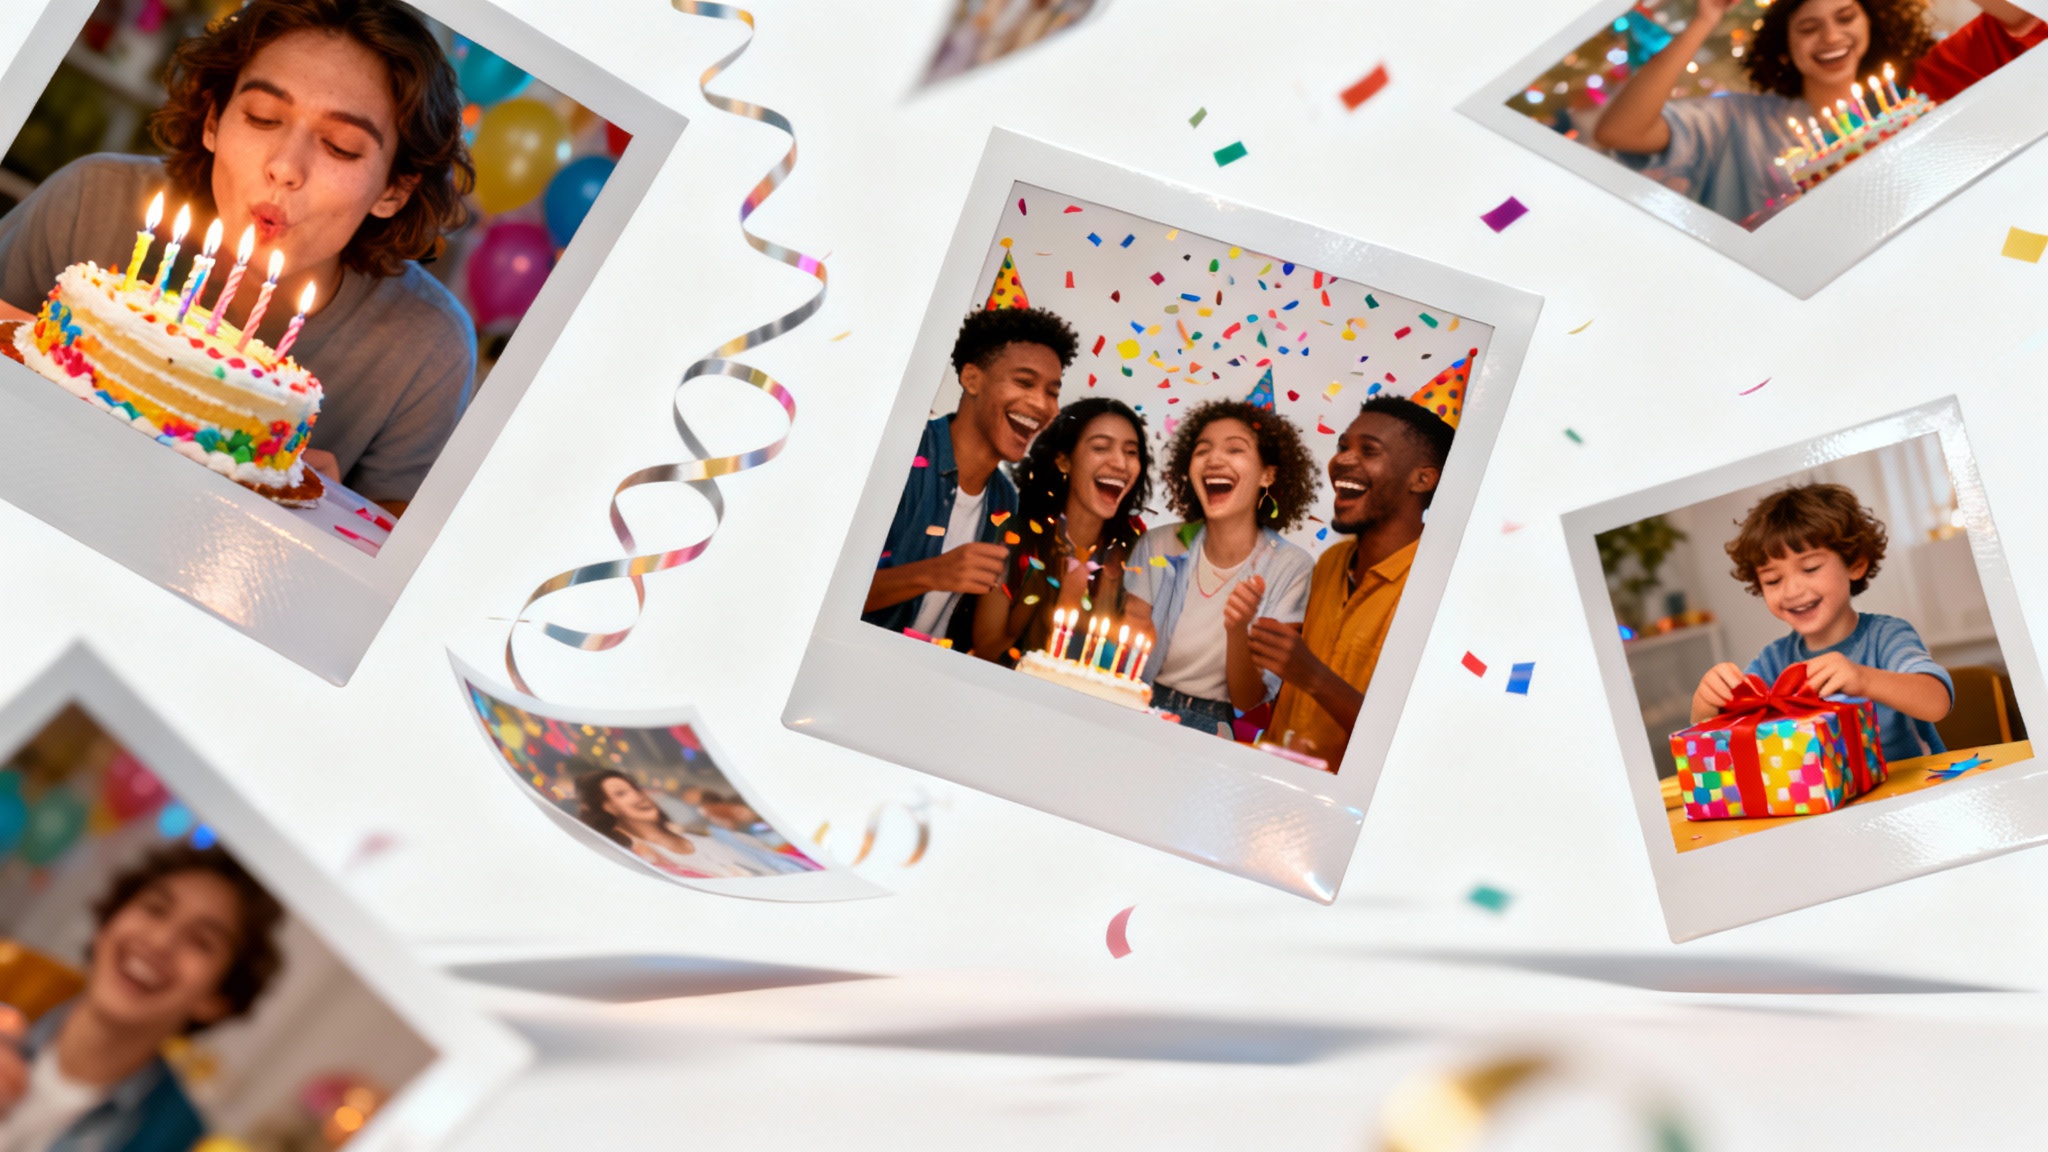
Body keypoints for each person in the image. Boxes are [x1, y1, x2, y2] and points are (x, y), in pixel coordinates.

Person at [0, 0, 477, 516]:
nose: (285, 168)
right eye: (263, 117)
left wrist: (332, 509)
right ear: (213, 121)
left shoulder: (428, 348)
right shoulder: (92, 200)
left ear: (395, 189)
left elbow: (394, 556)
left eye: (341, 146)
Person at [1592, 0, 2043, 226]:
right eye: (1808, 27)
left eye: (1845, 17)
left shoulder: (1919, 97)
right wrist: (1705, 18)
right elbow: (1620, 131)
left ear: (1873, 23)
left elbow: (2025, 22)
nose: (1831, 36)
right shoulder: (1736, 119)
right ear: (1785, 49)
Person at [0, 843, 284, 1152]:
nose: (160, 941)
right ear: (107, 923)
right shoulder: (8, 982)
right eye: (155, 909)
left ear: (217, 998)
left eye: (201, 942)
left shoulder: (178, 1138)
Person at [1251, 396, 1453, 769]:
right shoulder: (1330, 563)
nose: (1342, 459)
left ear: (1422, 478)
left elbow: (1414, 745)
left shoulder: (1439, 590)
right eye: (1343, 446)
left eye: (1369, 451)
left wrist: (1313, 676)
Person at [1691, 483, 1952, 762]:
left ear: (1855, 564)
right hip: (1822, 799)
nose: (1791, 591)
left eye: (1810, 568)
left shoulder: (1886, 636)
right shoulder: (1772, 661)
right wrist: (1706, 703)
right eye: (1773, 580)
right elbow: (1713, 734)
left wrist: (1862, 679)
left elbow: (1937, 702)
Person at [864, 306, 1076, 647]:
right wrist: (935, 572)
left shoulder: (1005, 498)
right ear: (971, 378)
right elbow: (825, 591)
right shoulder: (900, 455)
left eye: (1052, 391)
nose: (1042, 403)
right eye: (1024, 382)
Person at [1129, 400, 1317, 738]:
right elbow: (1128, 646)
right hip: (1137, 702)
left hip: (1213, 724)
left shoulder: (1292, 567)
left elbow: (1250, 699)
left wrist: (1237, 630)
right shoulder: (1157, 545)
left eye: (1235, 449)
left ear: (1267, 475)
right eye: (1203, 450)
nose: (1215, 459)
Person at [973, 396, 1152, 665]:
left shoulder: (1134, 547)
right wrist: (1061, 599)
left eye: (1131, 452)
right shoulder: (1016, 536)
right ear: (1063, 461)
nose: (1120, 463)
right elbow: (986, 650)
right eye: (1101, 447)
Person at [572, 767, 783, 879]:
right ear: (607, 807)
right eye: (622, 793)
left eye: (635, 788)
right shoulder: (643, 863)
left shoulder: (721, 841)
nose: (639, 796)